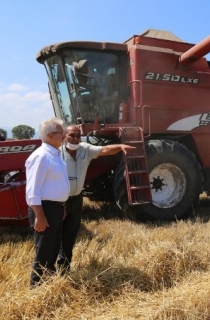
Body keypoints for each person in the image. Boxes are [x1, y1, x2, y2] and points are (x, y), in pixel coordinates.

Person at [57, 124, 135, 272]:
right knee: (55, 233)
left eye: (78, 136)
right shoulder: (56, 153)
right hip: (60, 199)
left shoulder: (85, 149)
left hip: (77, 199)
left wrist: (120, 146)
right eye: (71, 135)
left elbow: (104, 150)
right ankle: (48, 267)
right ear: (64, 136)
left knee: (70, 233)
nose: (75, 139)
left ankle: (64, 267)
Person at [25, 117, 69, 287]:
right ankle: (36, 289)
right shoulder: (41, 156)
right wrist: (39, 215)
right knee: (43, 252)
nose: (64, 135)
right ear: (51, 135)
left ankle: (49, 286)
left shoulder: (56, 155)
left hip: (55, 209)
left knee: (52, 250)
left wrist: (61, 207)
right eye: (61, 132)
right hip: (44, 210)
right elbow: (32, 190)